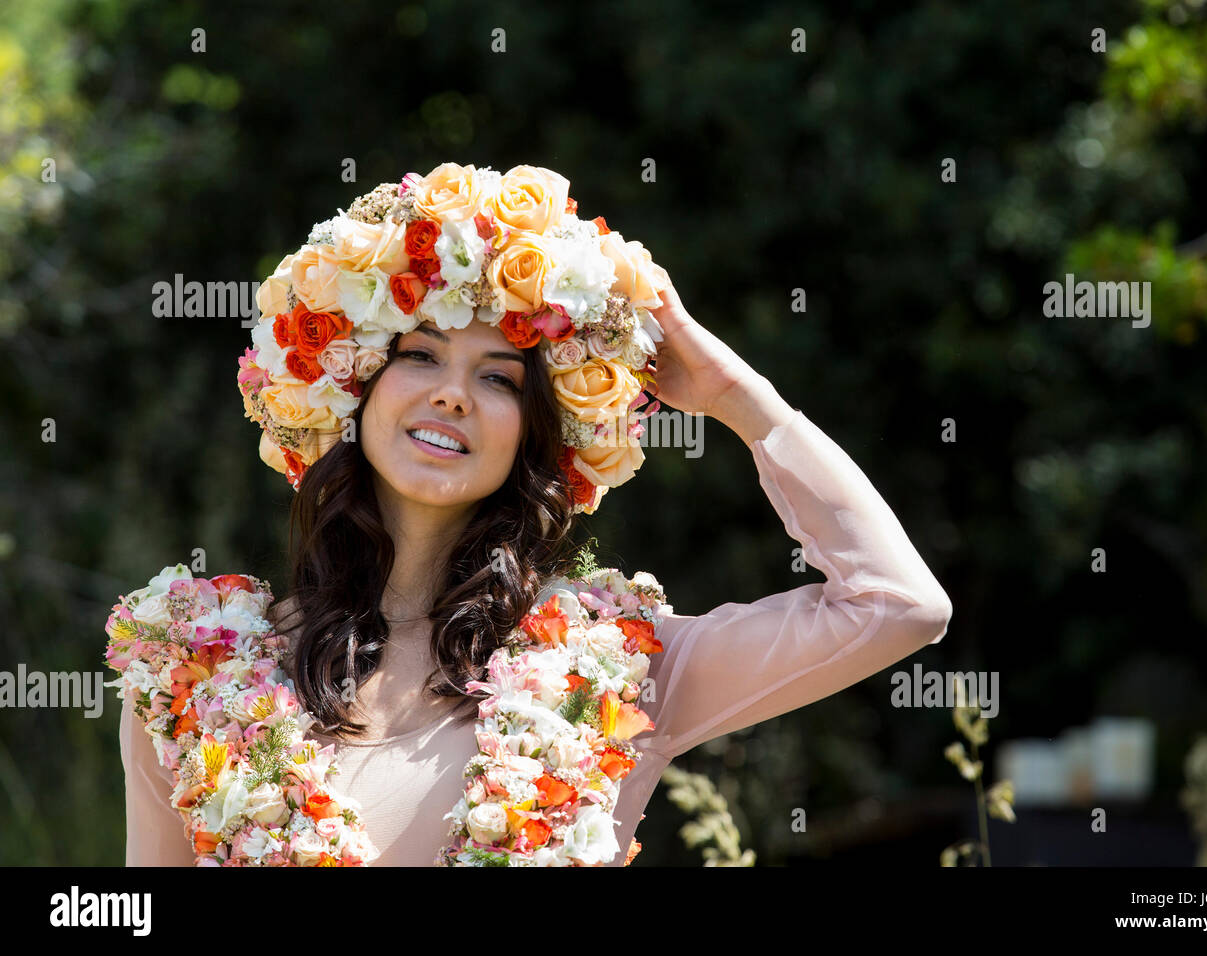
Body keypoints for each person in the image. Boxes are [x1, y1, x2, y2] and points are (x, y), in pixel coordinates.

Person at [117, 179, 951, 866]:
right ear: (357, 388)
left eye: (500, 379)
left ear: (532, 439)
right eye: (420, 355)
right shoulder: (199, 672)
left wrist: (739, 400)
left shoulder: (622, 671)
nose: (451, 392)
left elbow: (898, 606)